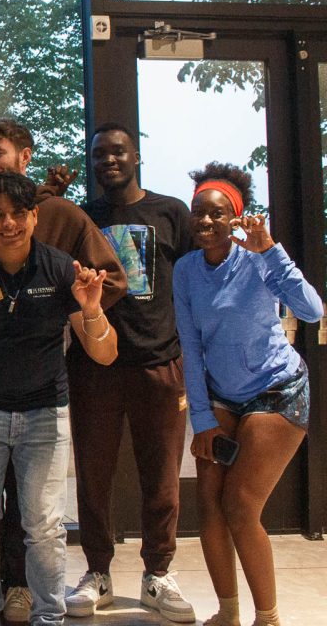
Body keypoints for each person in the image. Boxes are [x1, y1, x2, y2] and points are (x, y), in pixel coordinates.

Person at [0, 116, 126, 622]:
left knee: (44, 526)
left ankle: (51, 617)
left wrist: (91, 309)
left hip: (46, 413)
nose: (9, 223)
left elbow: (104, 354)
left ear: (33, 215)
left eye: (19, 213)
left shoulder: (59, 265)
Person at [174, 163, 321, 626]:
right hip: (221, 396)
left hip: (276, 390)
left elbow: (312, 311)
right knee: (209, 504)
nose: (205, 222)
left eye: (216, 213)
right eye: (198, 212)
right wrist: (202, 419)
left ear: (235, 218)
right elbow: (191, 348)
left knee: (240, 506)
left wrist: (272, 251)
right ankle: (228, 613)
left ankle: (269, 617)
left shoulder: (258, 257)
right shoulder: (185, 271)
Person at [64, 123, 195, 621]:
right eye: (100, 155)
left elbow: (192, 283)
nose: (109, 161)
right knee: (94, 477)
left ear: (136, 156)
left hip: (159, 363)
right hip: (94, 366)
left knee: (161, 476)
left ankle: (158, 573)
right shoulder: (82, 217)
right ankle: (97, 571)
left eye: (118, 152)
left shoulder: (170, 212)